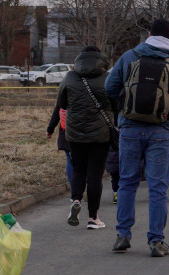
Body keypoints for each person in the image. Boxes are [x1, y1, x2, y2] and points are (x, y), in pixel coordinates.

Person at [105, 18, 169, 257]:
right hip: (161, 130)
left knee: (127, 181)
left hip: (129, 128)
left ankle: (123, 235)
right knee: (158, 187)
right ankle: (156, 241)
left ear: (148, 34)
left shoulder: (129, 56)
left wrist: (125, 102)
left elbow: (109, 88)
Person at [54, 46, 115, 229]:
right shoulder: (107, 78)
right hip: (100, 133)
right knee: (95, 175)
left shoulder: (70, 77)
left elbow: (62, 104)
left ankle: (75, 199)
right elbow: (116, 103)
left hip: (74, 133)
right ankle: (93, 218)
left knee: (79, 169)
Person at [47, 106, 74, 192]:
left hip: (67, 132)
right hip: (86, 131)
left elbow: (57, 111)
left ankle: (74, 192)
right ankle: (86, 184)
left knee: (70, 161)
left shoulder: (65, 93)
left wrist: (50, 129)